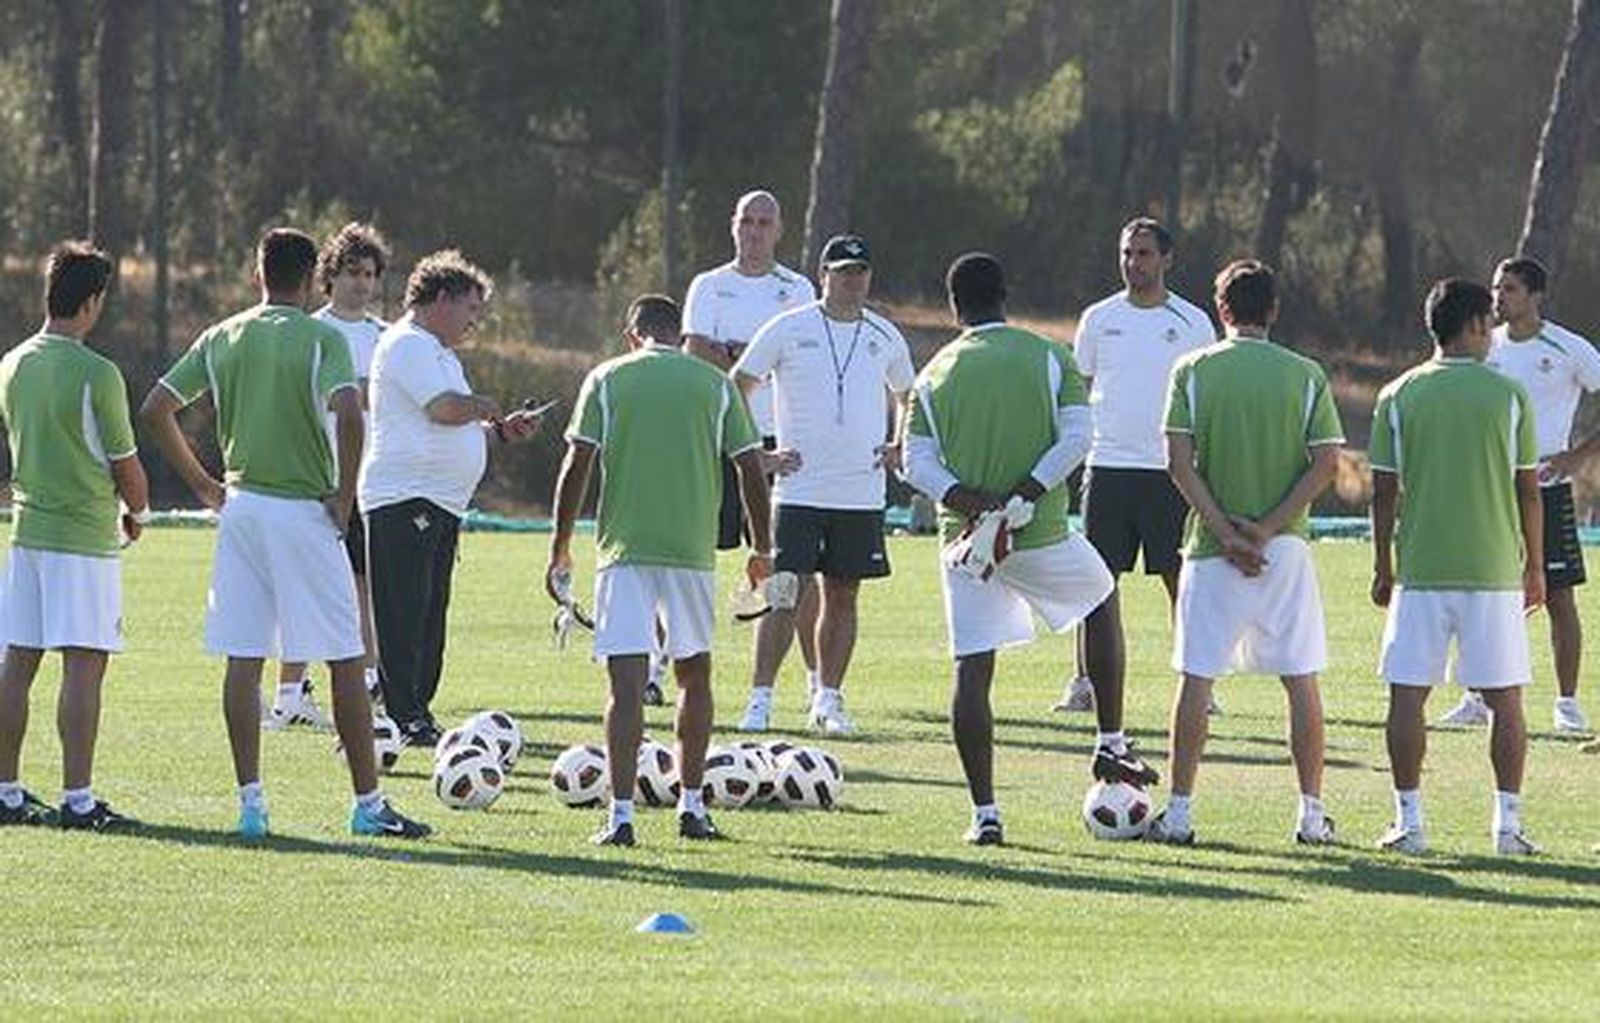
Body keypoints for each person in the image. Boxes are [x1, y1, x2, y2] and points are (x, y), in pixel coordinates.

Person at [141, 228, 428, 839]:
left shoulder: (223, 334)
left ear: (258, 275)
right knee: (347, 661)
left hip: (241, 507)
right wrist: (345, 497)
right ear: (309, 280)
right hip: (303, 510)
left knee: (244, 660)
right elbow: (350, 415)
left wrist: (201, 484)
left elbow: (157, 408)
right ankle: (368, 806)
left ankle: (251, 805)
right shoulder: (320, 335)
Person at [903, 252, 1153, 848]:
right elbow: (1076, 437)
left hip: (968, 544)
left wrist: (974, 504)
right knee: (1101, 600)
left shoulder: (933, 373)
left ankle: (985, 814)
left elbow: (915, 464)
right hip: (1037, 532)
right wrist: (1023, 497)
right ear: (1005, 296)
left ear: (953, 305)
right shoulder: (1048, 354)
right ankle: (1109, 741)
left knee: (973, 668)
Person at [548, 295, 772, 847]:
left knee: (625, 687)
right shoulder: (714, 383)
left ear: (633, 335)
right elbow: (750, 468)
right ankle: (691, 807)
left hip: (623, 551)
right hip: (690, 552)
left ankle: (621, 816)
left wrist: (560, 546)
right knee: (693, 677)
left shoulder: (607, 377)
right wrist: (761, 546)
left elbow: (577, 463)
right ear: (680, 334)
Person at [1146, 259, 1341, 847]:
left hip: (1211, 551)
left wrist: (1227, 532)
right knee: (1300, 680)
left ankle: (1179, 813)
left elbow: (1178, 463)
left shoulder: (1193, 369)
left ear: (1221, 310)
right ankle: (1310, 814)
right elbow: (1326, 463)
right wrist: (1268, 528)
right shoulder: (1305, 374)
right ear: (1273, 309)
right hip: (1283, 550)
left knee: (1197, 679)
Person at [1370, 277, 1543, 856]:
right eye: (1488, 321)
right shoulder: (1509, 394)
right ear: (1472, 325)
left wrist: (1382, 565)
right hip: (1494, 569)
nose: (1493, 332)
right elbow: (1529, 492)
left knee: (1407, 696)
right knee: (1506, 700)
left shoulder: (1397, 394)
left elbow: (1383, 492)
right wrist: (1536, 567)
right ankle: (1506, 828)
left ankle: (1410, 822)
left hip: (1420, 568)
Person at [359, 250, 543, 747]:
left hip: (439, 502)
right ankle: (405, 714)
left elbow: (459, 430)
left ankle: (418, 710)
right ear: (440, 299)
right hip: (405, 497)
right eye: (469, 309)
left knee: (428, 611)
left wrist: (502, 432)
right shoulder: (408, 343)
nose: (473, 322)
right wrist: (485, 406)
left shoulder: (440, 353)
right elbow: (442, 410)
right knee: (405, 611)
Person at [731, 234, 914, 735]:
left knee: (844, 594)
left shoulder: (884, 334)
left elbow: (908, 394)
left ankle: (828, 700)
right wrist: (758, 456)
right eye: (841, 271)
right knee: (784, 591)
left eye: (859, 272)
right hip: (799, 489)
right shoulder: (788, 327)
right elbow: (737, 387)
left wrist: (898, 444)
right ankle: (759, 702)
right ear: (822, 275)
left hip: (860, 492)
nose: (851, 281)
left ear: (869, 277)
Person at [0, 241, 148, 830]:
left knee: (18, 663)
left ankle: (6, 790)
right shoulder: (98, 373)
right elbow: (126, 466)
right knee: (84, 665)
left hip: (27, 534)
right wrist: (139, 509)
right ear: (92, 301)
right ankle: (78, 800)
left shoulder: (11, 363)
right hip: (83, 538)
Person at [1055, 217, 1216, 719]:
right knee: (1096, 581)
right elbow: (1078, 389)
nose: (1133, 263)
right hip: (1108, 466)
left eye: (1144, 254)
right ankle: (1084, 681)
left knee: (1180, 579)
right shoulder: (1098, 318)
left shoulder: (1193, 323)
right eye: (1127, 253)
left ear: (1167, 260)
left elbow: (1204, 399)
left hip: (1169, 470)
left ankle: (1199, 684)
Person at [1435, 257, 1600, 735]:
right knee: (1484, 592)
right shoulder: (1487, 346)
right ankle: (1475, 696)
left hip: (1545, 489)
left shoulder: (1568, 348)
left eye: (1508, 289)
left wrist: (1576, 457)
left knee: (1558, 596)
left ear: (1535, 296)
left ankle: (1567, 703)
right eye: (1495, 288)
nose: (1498, 297)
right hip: (1488, 490)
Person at [683, 190, 820, 710]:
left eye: (765, 222)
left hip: (777, 438)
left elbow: (799, 355)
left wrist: (740, 354)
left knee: (792, 564)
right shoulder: (710, 286)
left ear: (779, 230)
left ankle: (816, 682)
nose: (755, 230)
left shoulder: (798, 287)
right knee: (688, 548)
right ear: (733, 225)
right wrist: (748, 357)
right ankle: (658, 662)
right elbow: (697, 351)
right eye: (747, 220)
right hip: (716, 433)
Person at [270, 222, 390, 729]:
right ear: (328, 277)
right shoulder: (313, 332)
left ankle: (366, 681)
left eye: (369, 274)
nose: (361, 283)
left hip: (371, 480)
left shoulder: (387, 337)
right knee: (304, 586)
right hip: (318, 478)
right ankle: (289, 692)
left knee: (364, 583)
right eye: (351, 273)